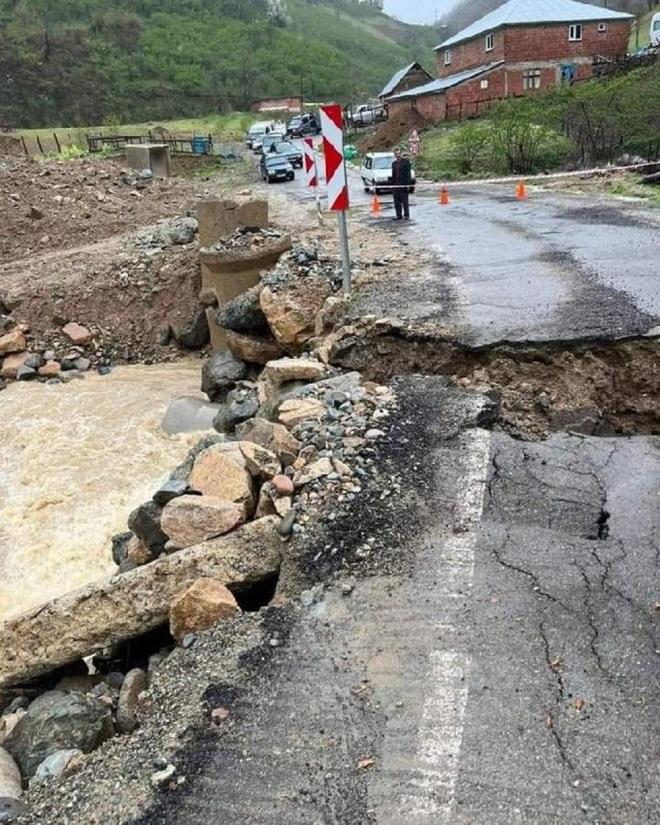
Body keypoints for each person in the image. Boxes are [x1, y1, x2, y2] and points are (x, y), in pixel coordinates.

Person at [391, 147, 412, 221]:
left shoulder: (406, 162)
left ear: (401, 154)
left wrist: (408, 185)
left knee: (405, 201)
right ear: (395, 155)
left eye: (399, 153)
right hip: (396, 185)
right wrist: (392, 184)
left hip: (403, 185)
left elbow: (408, 174)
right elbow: (393, 174)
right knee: (396, 202)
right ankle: (398, 215)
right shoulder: (394, 164)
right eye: (396, 154)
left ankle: (406, 215)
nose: (398, 155)